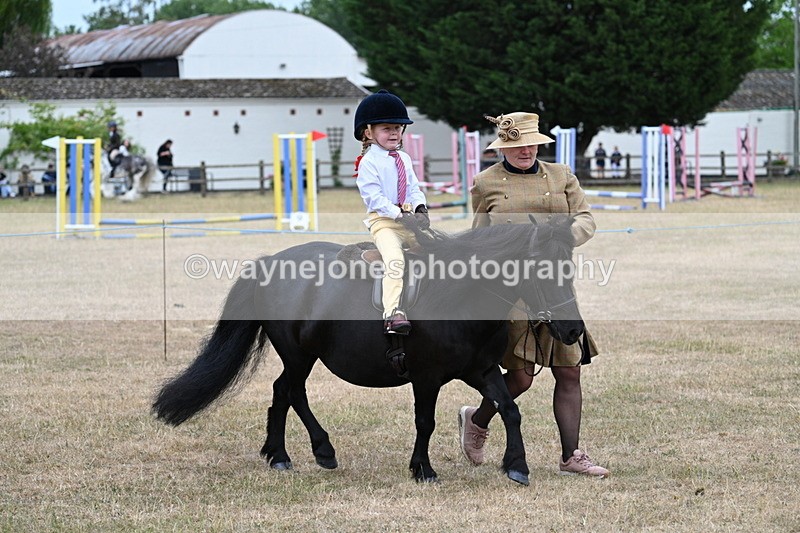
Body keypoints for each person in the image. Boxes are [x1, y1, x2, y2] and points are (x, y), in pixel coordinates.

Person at [459, 111, 609, 478]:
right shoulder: (485, 182)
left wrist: (556, 241)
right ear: (503, 148)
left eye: (530, 144)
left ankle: (571, 456)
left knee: (569, 372)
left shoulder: (561, 176)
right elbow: (479, 236)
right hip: (511, 293)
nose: (524, 150)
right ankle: (476, 420)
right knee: (521, 378)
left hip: (555, 287)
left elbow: (586, 218)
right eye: (515, 145)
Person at [353, 90, 429, 335]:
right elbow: (373, 197)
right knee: (395, 261)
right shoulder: (369, 162)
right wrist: (398, 215)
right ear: (368, 132)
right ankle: (393, 313)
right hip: (384, 223)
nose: (394, 133)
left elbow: (413, 187)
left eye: (398, 128)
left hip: (408, 221)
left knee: (440, 251)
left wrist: (420, 208)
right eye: (386, 128)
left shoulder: (404, 158)